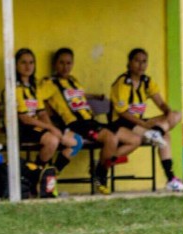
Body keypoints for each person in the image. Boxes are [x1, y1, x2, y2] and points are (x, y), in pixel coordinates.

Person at [41, 47, 141, 194]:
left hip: (90, 121)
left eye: (69, 63)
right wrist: (48, 111)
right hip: (77, 124)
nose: (65, 67)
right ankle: (100, 174)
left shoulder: (73, 81)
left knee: (135, 139)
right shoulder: (50, 83)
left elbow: (78, 96)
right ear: (55, 64)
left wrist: (93, 97)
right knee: (111, 140)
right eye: (61, 63)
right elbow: (36, 98)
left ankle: (102, 165)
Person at [110, 48, 183, 192]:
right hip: (124, 124)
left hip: (142, 125)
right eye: (137, 61)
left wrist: (167, 112)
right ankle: (157, 135)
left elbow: (160, 103)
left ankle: (171, 180)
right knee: (164, 136)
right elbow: (122, 113)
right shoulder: (122, 82)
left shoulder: (147, 82)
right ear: (129, 63)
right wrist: (144, 124)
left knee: (176, 115)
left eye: (144, 61)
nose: (141, 65)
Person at [15, 48, 81, 172]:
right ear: (16, 65)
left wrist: (52, 127)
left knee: (74, 141)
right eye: (23, 62)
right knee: (52, 140)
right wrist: (50, 128)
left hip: (37, 127)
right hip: (23, 128)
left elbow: (42, 112)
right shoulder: (14, 88)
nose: (28, 66)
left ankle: (49, 173)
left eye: (31, 62)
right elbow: (25, 118)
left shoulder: (34, 87)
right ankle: (36, 173)